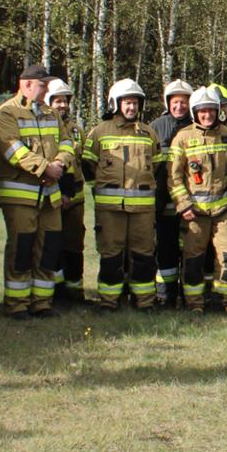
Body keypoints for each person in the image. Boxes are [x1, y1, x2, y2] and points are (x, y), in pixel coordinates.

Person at [0, 65, 76, 316]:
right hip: (21, 197)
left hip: (50, 196)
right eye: (42, 85)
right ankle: (17, 304)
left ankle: (41, 303)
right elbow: (13, 151)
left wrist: (60, 163)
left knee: (48, 248)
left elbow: (67, 141)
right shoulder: (6, 114)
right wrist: (45, 168)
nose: (46, 89)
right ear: (26, 84)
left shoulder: (51, 113)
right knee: (21, 249)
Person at [82, 79, 161, 309]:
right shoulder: (98, 132)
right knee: (111, 254)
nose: (132, 108)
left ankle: (144, 301)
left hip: (143, 211)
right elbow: (87, 165)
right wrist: (99, 190)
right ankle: (109, 301)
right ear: (115, 104)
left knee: (144, 255)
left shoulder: (148, 133)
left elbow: (157, 166)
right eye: (127, 103)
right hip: (110, 210)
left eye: (136, 103)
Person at [168, 87, 227, 312]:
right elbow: (174, 177)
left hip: (224, 210)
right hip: (195, 213)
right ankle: (194, 303)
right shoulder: (183, 138)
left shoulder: (226, 135)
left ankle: (224, 302)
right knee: (193, 260)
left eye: (212, 111)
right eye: (203, 111)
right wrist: (183, 205)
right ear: (195, 112)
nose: (208, 115)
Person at [149, 79, 194, 306]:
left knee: (191, 250)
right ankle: (165, 295)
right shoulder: (156, 127)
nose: (180, 107)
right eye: (175, 102)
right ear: (168, 103)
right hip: (163, 203)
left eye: (184, 102)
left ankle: (190, 295)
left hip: (191, 204)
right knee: (165, 249)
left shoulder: (197, 127)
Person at [47, 79, 89, 304]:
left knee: (74, 245)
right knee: (53, 244)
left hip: (76, 199)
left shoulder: (75, 129)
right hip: (54, 196)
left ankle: (76, 291)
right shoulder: (44, 127)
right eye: (57, 101)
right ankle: (57, 292)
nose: (62, 105)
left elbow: (82, 162)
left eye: (65, 101)